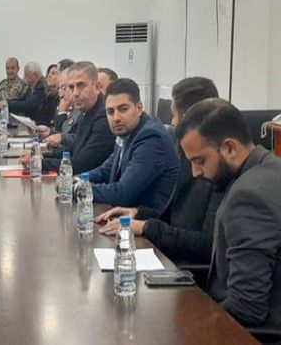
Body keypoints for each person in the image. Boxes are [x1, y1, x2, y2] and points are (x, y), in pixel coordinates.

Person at [176, 98, 281, 328]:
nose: (195, 172)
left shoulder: (248, 196)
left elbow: (247, 308)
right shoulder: (270, 167)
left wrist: (190, 326)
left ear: (230, 148)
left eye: (200, 161)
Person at [96, 77, 223, 265]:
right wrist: (138, 213)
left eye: (174, 115)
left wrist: (145, 227)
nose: (172, 122)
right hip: (170, 253)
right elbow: (175, 219)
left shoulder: (218, 171)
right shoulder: (188, 158)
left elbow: (207, 244)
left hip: (186, 270)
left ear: (193, 119)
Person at [83, 78, 179, 210]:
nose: (116, 118)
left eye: (123, 109)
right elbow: (105, 171)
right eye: (110, 112)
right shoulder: (127, 132)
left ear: (139, 108)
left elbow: (122, 193)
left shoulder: (151, 138)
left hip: (146, 219)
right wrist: (75, 180)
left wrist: (80, 188)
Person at [21, 61, 115, 173]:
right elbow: (73, 149)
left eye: (81, 85)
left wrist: (40, 163)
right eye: (71, 87)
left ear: (97, 87)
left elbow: (81, 164)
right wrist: (39, 156)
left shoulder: (104, 117)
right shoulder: (87, 111)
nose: (75, 93)